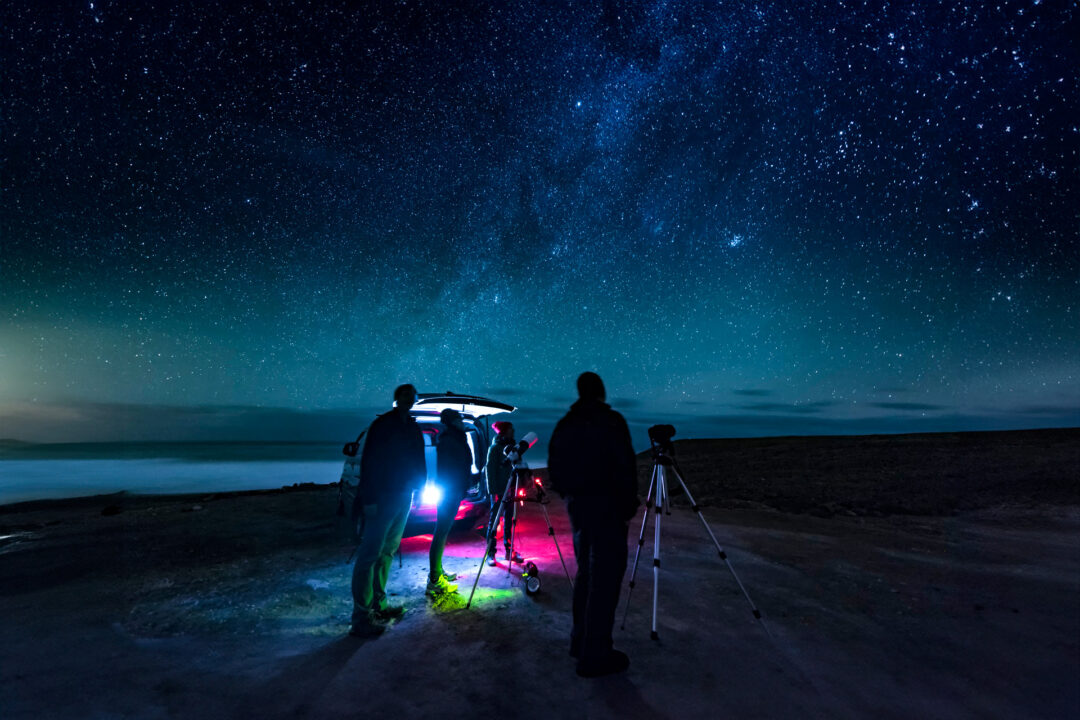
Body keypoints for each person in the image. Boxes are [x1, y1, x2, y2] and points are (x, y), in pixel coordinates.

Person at [547, 372, 639, 677]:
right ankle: (595, 654)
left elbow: (555, 471)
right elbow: (625, 466)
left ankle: (580, 641)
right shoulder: (610, 422)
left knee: (587, 574)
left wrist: (572, 495)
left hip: (580, 511)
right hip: (608, 510)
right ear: (600, 391)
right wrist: (627, 506)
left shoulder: (566, 425)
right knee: (606, 579)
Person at [349, 383, 426, 638]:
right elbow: (370, 461)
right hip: (382, 497)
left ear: (415, 400)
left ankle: (378, 606)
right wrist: (368, 499)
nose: (408, 399)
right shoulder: (383, 425)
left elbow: (419, 460)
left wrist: (418, 489)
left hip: (404, 496)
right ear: (396, 399)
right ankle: (361, 617)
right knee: (369, 554)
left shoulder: (412, 427)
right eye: (404, 395)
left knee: (387, 552)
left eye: (411, 396)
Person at [427, 408, 471, 596]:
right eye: (459, 418)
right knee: (440, 533)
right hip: (449, 492)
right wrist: (457, 488)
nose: (462, 421)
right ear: (452, 421)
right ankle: (434, 579)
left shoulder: (455, 437)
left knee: (443, 533)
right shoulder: (449, 440)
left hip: (453, 491)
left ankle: (438, 571)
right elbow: (450, 468)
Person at [483, 420, 515, 565]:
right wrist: (493, 492)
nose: (513, 431)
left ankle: (510, 550)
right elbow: (489, 472)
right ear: (504, 431)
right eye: (511, 429)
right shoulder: (495, 448)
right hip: (498, 490)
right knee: (494, 522)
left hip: (510, 489)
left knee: (509, 520)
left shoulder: (512, 447)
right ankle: (491, 553)